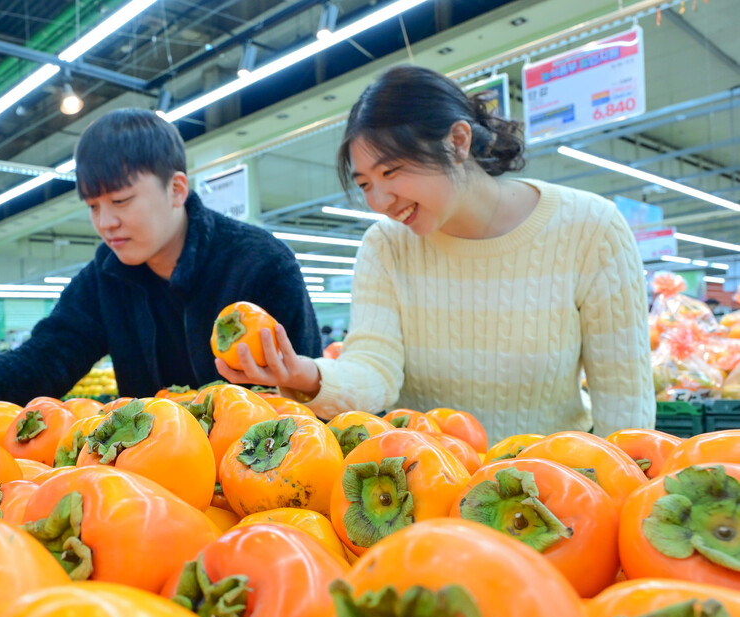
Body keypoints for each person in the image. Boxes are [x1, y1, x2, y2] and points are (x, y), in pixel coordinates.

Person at [217, 65, 654, 440]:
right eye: (366, 184)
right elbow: (375, 369)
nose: (380, 201)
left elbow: (625, 405)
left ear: (458, 141)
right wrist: (304, 375)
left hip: (556, 500)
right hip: (421, 493)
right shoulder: (386, 247)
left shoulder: (591, 229)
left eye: (391, 171)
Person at [0, 108, 320, 403]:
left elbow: (308, 388)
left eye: (120, 200)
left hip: (260, 483)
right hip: (149, 487)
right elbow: (45, 359)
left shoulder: (261, 264)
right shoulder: (104, 278)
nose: (106, 222)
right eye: (93, 206)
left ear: (176, 189)